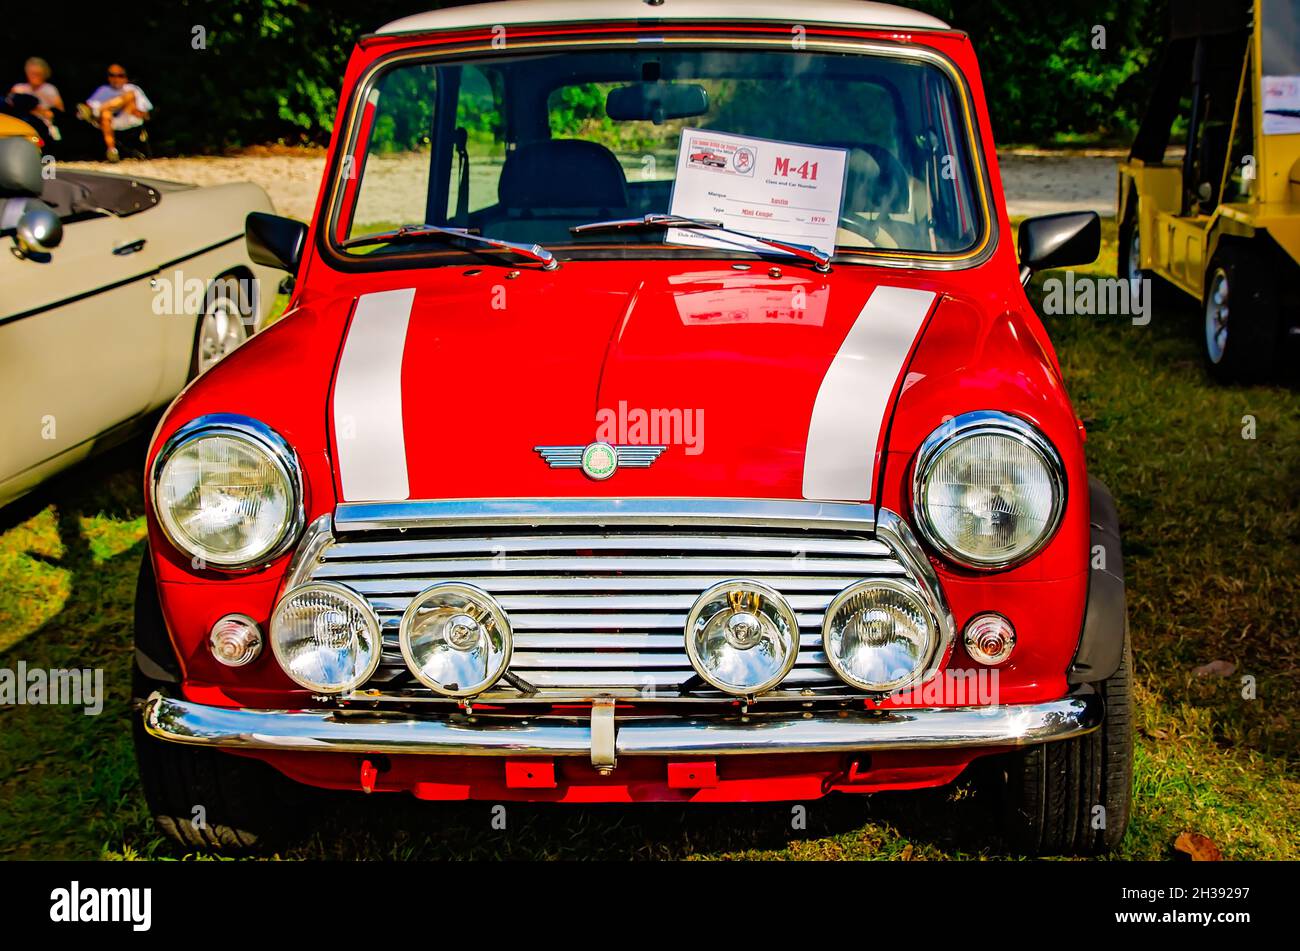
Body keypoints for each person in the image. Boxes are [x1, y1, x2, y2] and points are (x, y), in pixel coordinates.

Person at [76, 64, 152, 162]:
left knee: (129, 95)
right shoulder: (103, 90)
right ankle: (112, 151)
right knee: (105, 114)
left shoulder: (132, 88)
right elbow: (82, 112)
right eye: (112, 75)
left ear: (126, 77)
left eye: (120, 75)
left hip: (130, 116)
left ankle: (96, 111)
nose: (116, 78)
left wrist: (124, 104)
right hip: (110, 121)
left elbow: (145, 114)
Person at [7, 56, 64, 145]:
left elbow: (60, 112)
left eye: (38, 74)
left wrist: (38, 110)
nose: (34, 77)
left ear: (44, 74)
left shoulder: (50, 89)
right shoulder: (19, 88)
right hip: (22, 126)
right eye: (31, 73)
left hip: (45, 128)